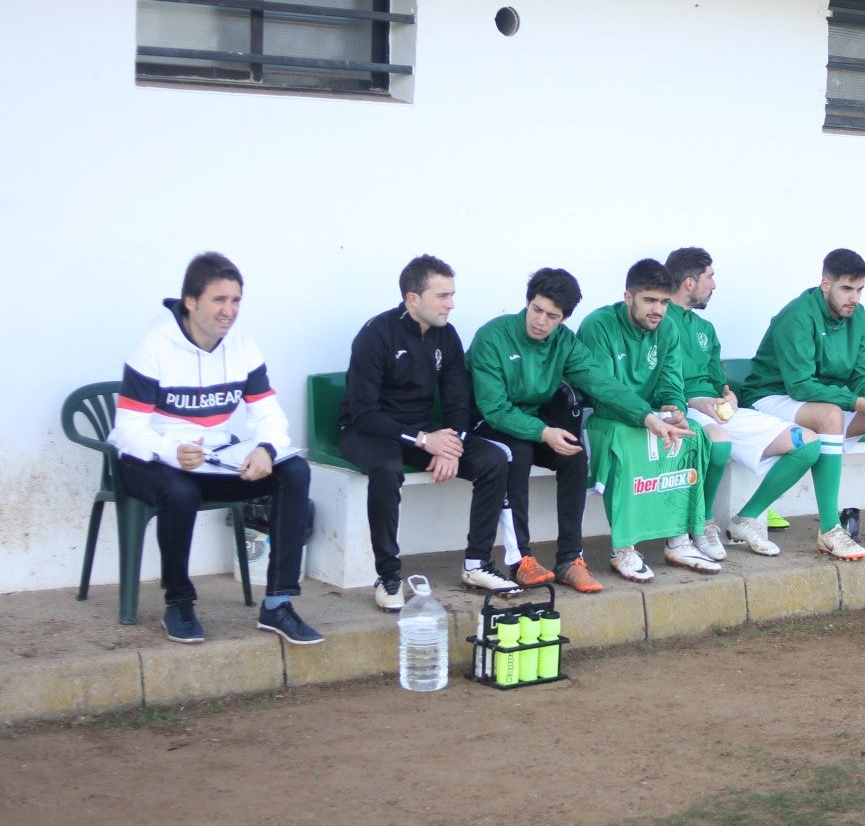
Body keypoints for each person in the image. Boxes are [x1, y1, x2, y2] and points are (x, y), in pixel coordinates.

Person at [109, 252, 322, 645]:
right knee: (179, 490)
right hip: (148, 461)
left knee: (294, 472)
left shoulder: (242, 345)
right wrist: (172, 452)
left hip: (212, 460)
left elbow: (269, 415)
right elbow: (128, 430)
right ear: (191, 301)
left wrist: (266, 450)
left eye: (236, 300)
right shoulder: (153, 345)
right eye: (219, 300)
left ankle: (277, 604)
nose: (230, 311)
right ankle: (179, 601)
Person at [467, 267, 692, 593]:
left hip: (532, 423)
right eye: (537, 309)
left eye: (553, 316)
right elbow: (495, 409)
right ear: (528, 303)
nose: (541, 321)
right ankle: (520, 560)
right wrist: (544, 432)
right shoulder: (493, 336)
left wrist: (649, 418)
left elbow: (601, 383)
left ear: (563, 319)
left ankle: (570, 559)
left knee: (574, 455)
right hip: (486, 424)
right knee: (519, 452)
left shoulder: (564, 342)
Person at [339, 255, 516, 610]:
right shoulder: (376, 335)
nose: (451, 304)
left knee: (493, 459)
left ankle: (476, 563)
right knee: (387, 470)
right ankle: (388, 575)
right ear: (412, 298)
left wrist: (449, 445)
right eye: (442, 296)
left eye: (452, 295)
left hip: (424, 431)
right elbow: (363, 413)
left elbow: (457, 403)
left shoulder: (446, 335)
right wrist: (424, 441)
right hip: (368, 431)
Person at [740, 249, 865, 559]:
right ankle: (830, 529)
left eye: (859, 290)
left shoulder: (857, 315)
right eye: (846, 288)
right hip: (772, 396)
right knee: (830, 416)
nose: (853, 298)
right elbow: (800, 385)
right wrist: (858, 402)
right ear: (825, 284)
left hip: (824, 397)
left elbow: (862, 372)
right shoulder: (797, 315)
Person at [663, 246, 822, 558]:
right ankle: (704, 522)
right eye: (710, 276)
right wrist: (695, 402)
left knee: (806, 443)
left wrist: (726, 393)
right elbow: (657, 380)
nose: (715, 285)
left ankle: (745, 520)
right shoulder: (658, 320)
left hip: (715, 410)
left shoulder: (704, 328)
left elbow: (714, 374)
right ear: (690, 282)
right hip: (680, 409)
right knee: (719, 444)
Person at [576, 259, 718, 581]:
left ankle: (679, 540)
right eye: (650, 300)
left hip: (650, 417)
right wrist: (646, 417)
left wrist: (675, 408)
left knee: (694, 434)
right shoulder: (598, 325)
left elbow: (672, 379)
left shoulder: (667, 328)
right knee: (629, 442)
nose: (658, 310)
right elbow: (602, 390)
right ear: (629, 298)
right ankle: (623, 548)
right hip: (603, 418)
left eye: (665, 301)